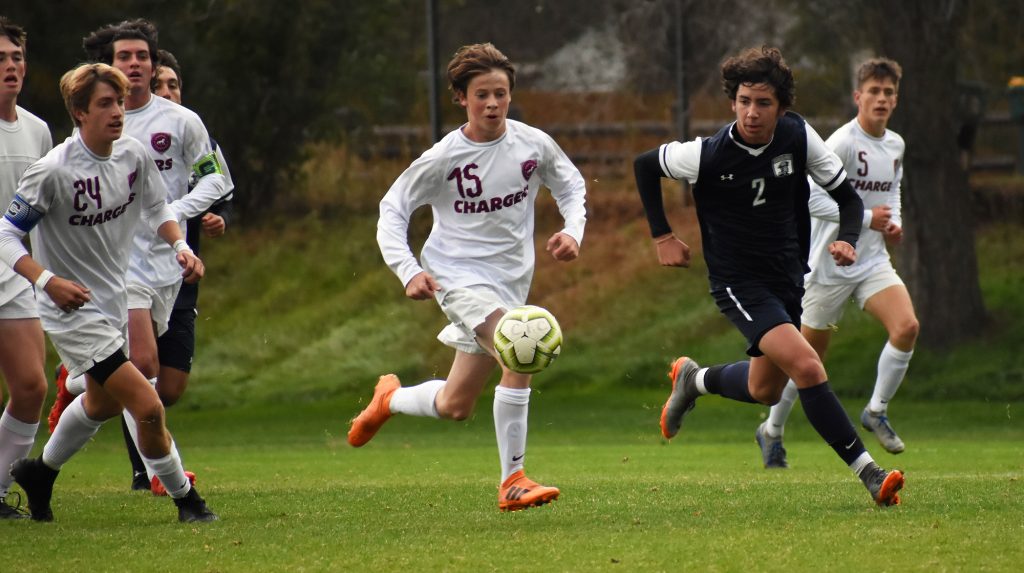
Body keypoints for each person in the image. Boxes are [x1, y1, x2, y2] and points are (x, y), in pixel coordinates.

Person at [633, 46, 904, 506]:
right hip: (739, 283)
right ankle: (871, 474)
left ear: (781, 107)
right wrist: (662, 236)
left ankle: (693, 381)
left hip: (787, 276)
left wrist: (849, 240)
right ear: (732, 101)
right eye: (743, 101)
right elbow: (645, 165)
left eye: (763, 103)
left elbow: (849, 200)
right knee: (807, 366)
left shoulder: (798, 136)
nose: (751, 113)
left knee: (764, 389)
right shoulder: (707, 155)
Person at [348, 43, 587, 512]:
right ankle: (513, 479)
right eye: (482, 95)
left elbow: (571, 184)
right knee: (520, 344)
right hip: (455, 278)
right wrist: (408, 270)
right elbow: (392, 210)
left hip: (510, 282)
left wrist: (572, 231)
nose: (493, 104)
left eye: (500, 93)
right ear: (461, 98)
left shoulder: (532, 144)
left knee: (456, 405)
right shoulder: (443, 158)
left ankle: (390, 400)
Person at [0, 62, 217, 522]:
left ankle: (41, 474)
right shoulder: (53, 170)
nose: (117, 112)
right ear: (79, 112)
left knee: (100, 403)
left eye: (119, 102)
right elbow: (5, 235)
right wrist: (48, 281)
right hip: (70, 309)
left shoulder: (133, 155)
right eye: (105, 104)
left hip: (113, 300)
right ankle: (188, 501)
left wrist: (180, 245)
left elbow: (158, 207)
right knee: (148, 404)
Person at [48, 20, 230, 495]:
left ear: (154, 62)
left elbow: (217, 179)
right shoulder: (88, 130)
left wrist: (178, 218)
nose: (134, 64)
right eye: (124, 57)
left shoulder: (180, 121)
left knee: (160, 387)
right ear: (108, 66)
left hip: (170, 260)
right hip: (119, 265)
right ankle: (164, 478)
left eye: (142, 56)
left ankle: (77, 382)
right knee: (143, 370)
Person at [756, 58, 918, 468]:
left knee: (907, 327)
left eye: (888, 93)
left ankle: (876, 410)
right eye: (874, 91)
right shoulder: (842, 142)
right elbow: (808, 197)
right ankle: (771, 430)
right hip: (827, 264)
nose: (881, 99)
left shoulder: (896, 144)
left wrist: (892, 223)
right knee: (808, 359)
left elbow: (891, 192)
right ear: (857, 96)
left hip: (871, 262)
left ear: (895, 100)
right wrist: (865, 219)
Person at [0, 16, 52, 520]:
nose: (11, 66)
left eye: (16, 57)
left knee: (32, 387)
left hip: (16, 275)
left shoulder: (37, 130)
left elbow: (42, 212)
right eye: (0, 58)